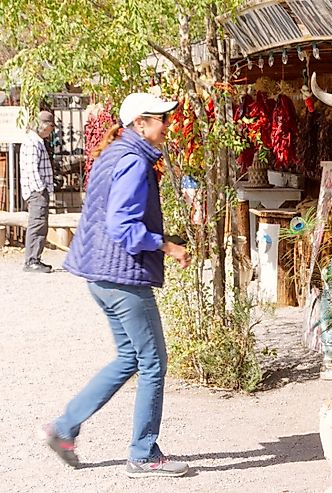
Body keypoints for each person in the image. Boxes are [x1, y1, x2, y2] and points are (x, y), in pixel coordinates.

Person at [44, 93, 191, 478]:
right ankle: (143, 455)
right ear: (140, 123)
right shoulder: (132, 160)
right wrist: (166, 245)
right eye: (161, 119)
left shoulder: (115, 153)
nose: (167, 125)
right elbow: (122, 226)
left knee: (130, 358)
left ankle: (63, 428)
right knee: (154, 363)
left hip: (101, 276)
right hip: (123, 278)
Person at [20, 110, 56, 273]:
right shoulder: (33, 142)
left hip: (37, 190)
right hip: (36, 191)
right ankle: (32, 260)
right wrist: (40, 189)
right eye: (50, 126)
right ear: (43, 125)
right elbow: (32, 168)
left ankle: (35, 258)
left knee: (40, 223)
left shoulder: (35, 141)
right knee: (37, 223)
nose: (51, 130)